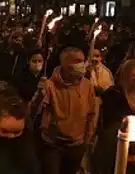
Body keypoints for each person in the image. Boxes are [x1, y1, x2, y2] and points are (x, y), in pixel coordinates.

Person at [30, 46, 96, 174]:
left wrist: (87, 140)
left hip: (77, 145)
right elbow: (33, 112)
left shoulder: (87, 85)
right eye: (77, 61)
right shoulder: (50, 85)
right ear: (65, 65)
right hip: (53, 145)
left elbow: (91, 114)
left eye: (82, 60)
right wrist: (39, 95)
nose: (82, 65)